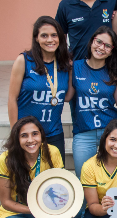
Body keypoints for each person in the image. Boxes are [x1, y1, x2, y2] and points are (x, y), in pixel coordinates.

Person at [0, 116, 83, 218]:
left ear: (41, 135)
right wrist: (36, 210)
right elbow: (6, 202)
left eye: (35, 134)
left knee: (79, 205)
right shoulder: (6, 159)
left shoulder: (52, 152)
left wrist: (64, 211)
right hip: (17, 211)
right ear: (17, 138)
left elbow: (62, 188)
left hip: (45, 208)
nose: (31, 140)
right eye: (24, 136)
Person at [8, 16, 73, 159]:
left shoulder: (64, 64)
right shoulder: (24, 61)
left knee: (54, 177)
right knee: (27, 178)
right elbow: (12, 99)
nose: (50, 40)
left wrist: (73, 69)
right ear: (36, 38)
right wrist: (15, 133)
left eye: (54, 35)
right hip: (28, 134)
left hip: (54, 132)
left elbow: (66, 96)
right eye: (44, 35)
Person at [72, 26, 117, 181]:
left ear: (112, 50)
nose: (101, 47)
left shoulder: (114, 71)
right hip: (83, 133)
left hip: (109, 133)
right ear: (92, 41)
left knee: (109, 178)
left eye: (107, 46)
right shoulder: (75, 67)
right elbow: (66, 95)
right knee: (83, 177)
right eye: (98, 42)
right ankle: (87, 207)